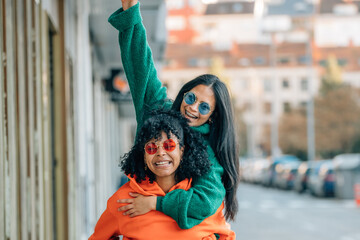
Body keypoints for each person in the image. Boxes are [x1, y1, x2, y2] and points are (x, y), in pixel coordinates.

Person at [108, 0, 239, 229]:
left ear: (213, 116)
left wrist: (155, 203)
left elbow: (204, 202)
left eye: (204, 107)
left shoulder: (209, 149)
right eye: (191, 98)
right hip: (139, 223)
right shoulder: (159, 112)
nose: (193, 108)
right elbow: (143, 68)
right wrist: (132, 12)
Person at [88, 110, 235, 240]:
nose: (161, 153)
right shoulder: (125, 200)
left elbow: (225, 235)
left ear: (182, 151)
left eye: (169, 145)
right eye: (151, 148)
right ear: (144, 155)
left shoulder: (200, 200)